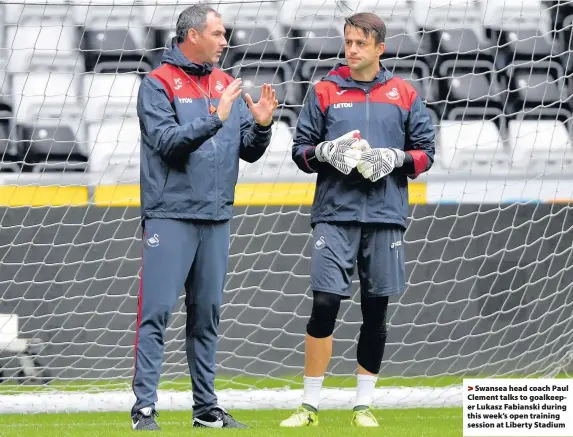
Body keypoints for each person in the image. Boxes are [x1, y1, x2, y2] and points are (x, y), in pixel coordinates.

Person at [280, 12, 435, 428]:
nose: (351, 50)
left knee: (375, 312)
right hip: (335, 214)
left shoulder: (404, 93)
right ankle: (309, 405)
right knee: (325, 304)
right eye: (347, 42)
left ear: (379, 48)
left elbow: (426, 152)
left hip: (386, 216)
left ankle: (362, 405)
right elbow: (300, 151)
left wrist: (396, 158)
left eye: (360, 44)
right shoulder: (325, 90)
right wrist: (325, 152)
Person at [131, 4, 278, 430]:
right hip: (170, 215)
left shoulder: (226, 83)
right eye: (217, 33)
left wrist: (263, 127)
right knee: (156, 312)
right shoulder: (157, 84)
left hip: (215, 217)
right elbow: (167, 142)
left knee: (207, 316)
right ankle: (144, 408)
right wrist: (215, 119)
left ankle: (206, 409)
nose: (225, 40)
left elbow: (246, 148)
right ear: (192, 36)